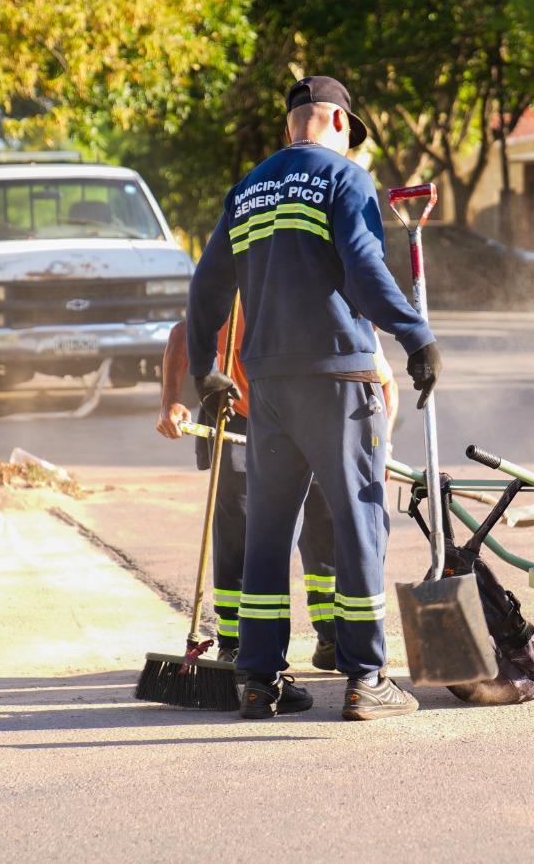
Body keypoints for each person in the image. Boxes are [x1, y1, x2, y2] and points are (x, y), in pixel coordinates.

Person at [186, 75, 441, 722]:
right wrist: (416, 336)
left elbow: (206, 289)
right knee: (359, 519)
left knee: (271, 529)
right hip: (339, 380)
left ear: (290, 125)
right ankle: (365, 680)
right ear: (336, 122)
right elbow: (364, 269)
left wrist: (206, 372)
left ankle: (259, 681)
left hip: (266, 386)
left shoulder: (247, 190)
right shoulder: (345, 178)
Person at [157, 309, 398, 668]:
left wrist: (383, 443)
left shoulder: (340, 321)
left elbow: (383, 386)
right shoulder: (245, 306)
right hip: (244, 416)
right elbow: (184, 334)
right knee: (242, 524)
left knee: (326, 520)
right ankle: (237, 639)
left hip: (320, 418)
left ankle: (332, 633)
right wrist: (170, 402)